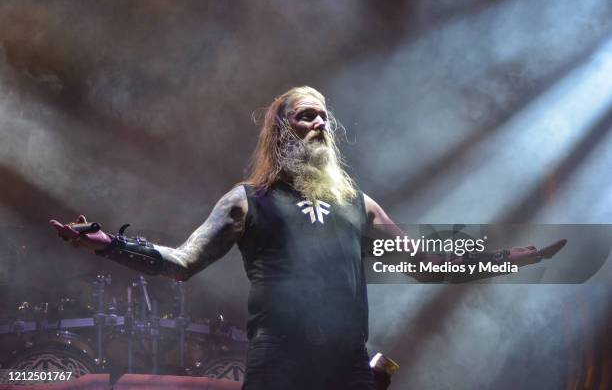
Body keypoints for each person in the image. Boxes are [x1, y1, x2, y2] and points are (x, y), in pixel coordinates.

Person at [51, 86, 565, 390]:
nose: (318, 123)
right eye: (305, 114)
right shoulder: (245, 200)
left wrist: (500, 260)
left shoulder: (358, 202)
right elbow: (184, 261)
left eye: (323, 116)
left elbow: (421, 263)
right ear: (282, 127)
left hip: (345, 361)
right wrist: (112, 245)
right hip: (279, 360)